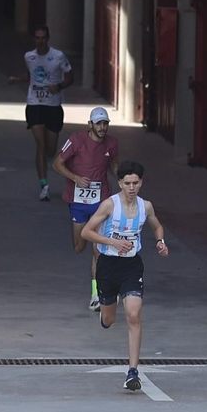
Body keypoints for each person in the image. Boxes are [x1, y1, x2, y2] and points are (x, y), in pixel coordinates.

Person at [81, 161, 168, 392]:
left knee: (133, 314)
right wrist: (113, 242)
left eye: (136, 183)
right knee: (109, 320)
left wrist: (160, 242)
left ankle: (132, 372)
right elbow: (86, 231)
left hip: (132, 266)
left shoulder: (145, 206)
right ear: (119, 183)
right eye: (127, 183)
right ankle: (106, 313)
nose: (131, 187)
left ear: (141, 183)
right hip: (108, 265)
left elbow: (157, 226)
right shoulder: (109, 205)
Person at [52, 107, 121, 310]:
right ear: (90, 124)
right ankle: (97, 292)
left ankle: (96, 294)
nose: (102, 127)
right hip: (78, 202)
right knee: (79, 247)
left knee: (98, 249)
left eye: (105, 123)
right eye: (98, 123)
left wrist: (123, 178)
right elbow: (57, 164)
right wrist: (75, 178)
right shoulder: (76, 140)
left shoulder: (112, 143)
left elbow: (113, 164)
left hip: (102, 201)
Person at [8, 25, 72, 201]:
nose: (40, 41)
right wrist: (17, 79)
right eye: (37, 38)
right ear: (34, 39)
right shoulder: (29, 56)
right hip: (34, 104)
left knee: (51, 151)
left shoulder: (58, 56)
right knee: (40, 144)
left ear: (48, 38)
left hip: (53, 106)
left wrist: (58, 86)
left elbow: (69, 77)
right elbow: (31, 76)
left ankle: (48, 164)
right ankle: (44, 185)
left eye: (43, 37)